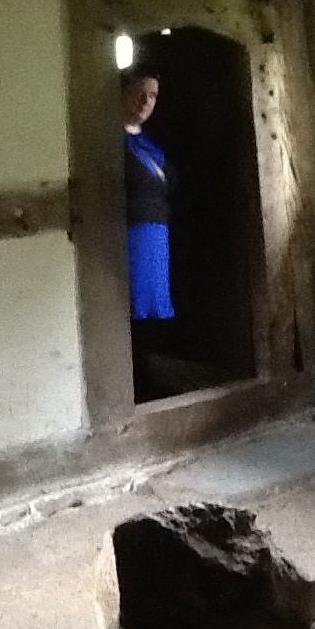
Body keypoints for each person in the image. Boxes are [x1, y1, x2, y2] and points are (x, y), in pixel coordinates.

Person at [122, 65, 175, 394]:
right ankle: (137, 383)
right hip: (131, 235)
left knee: (154, 308)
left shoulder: (152, 144)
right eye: (139, 93)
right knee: (133, 306)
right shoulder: (112, 143)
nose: (146, 101)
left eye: (153, 96)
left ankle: (151, 377)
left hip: (157, 233)